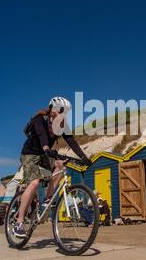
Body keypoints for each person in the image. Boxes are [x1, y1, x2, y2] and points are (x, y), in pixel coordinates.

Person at [13, 97, 92, 238]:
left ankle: (48, 199)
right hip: (30, 154)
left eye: (66, 111)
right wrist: (46, 147)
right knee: (35, 181)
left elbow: (71, 141)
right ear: (53, 110)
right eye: (62, 110)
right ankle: (19, 222)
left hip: (46, 154)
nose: (64, 114)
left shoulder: (61, 125)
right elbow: (42, 134)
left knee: (61, 165)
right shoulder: (39, 119)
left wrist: (83, 157)